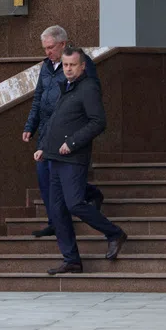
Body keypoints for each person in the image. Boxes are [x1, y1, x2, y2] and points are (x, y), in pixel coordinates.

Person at [33, 47, 127, 275]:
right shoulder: (66, 87)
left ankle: (114, 233)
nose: (68, 69)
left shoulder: (88, 88)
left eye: (72, 65)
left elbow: (98, 122)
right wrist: (44, 148)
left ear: (82, 66)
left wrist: (73, 143)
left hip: (74, 158)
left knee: (74, 203)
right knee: (56, 210)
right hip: (54, 157)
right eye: (65, 65)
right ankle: (72, 259)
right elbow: (57, 121)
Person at [22, 25, 103, 238]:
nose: (47, 52)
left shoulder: (80, 65)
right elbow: (38, 97)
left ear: (63, 44)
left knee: (61, 176)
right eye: (45, 48)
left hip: (67, 130)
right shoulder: (46, 66)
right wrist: (30, 125)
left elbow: (91, 96)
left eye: (51, 47)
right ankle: (54, 222)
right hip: (46, 130)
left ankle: (92, 194)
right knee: (44, 175)